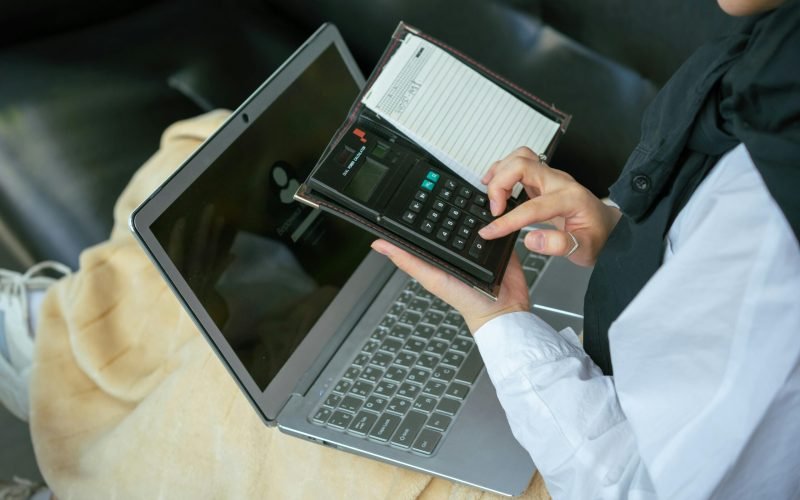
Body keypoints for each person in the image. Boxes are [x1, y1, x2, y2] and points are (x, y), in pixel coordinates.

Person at [371, 0, 800, 498]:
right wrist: (622, 239)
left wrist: (500, 318)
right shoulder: (779, 63)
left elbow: (631, 487)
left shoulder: (773, 227)